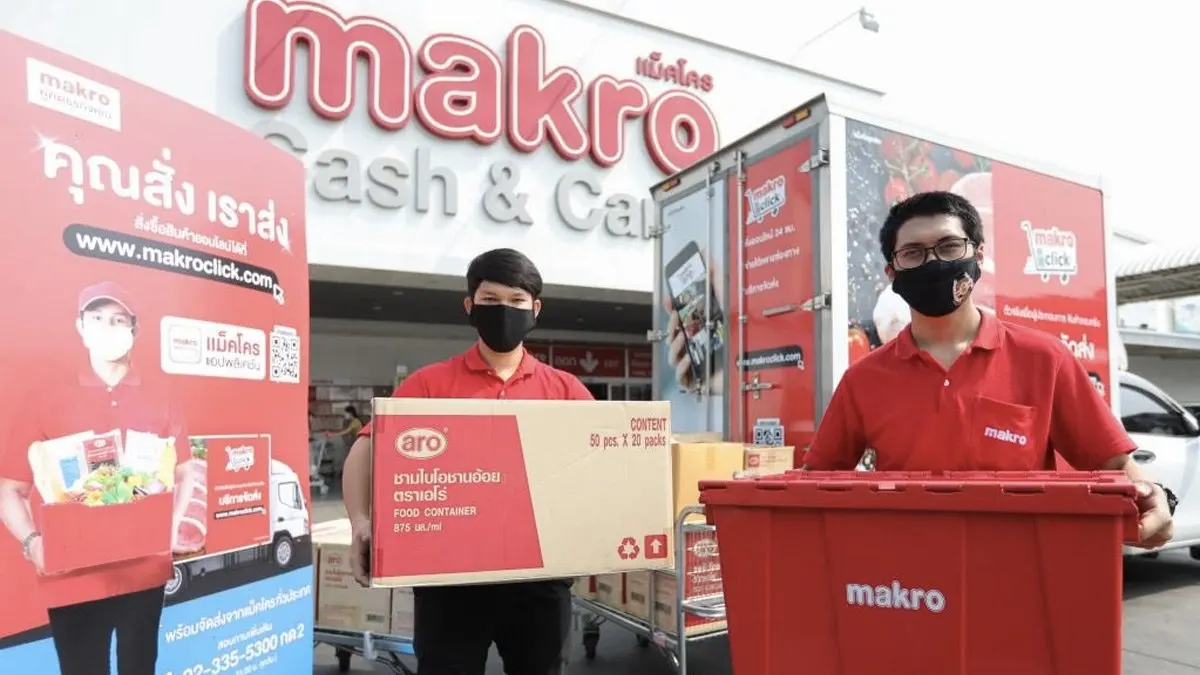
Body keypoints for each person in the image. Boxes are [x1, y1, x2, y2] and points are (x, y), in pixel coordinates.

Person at [803, 191, 1174, 548]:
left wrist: (1154, 495)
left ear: (978, 254)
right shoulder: (863, 379)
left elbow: (1113, 463)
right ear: (892, 272)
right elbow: (816, 483)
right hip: (907, 575)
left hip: (1022, 570)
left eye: (949, 246)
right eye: (913, 253)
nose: (933, 262)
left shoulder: (1044, 358)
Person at [342, 248, 593, 675]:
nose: (504, 310)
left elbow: (601, 464)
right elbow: (367, 447)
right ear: (469, 306)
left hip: (539, 579)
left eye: (516, 300)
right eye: (490, 299)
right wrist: (360, 522)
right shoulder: (429, 385)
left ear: (535, 310)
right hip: (449, 582)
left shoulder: (566, 390)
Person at [0, 281, 197, 675]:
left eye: (119, 320)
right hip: (73, 580)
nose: (109, 328)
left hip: (144, 575)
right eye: (98, 318)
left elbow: (185, 469)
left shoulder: (163, 396)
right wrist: (33, 543)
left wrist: (172, 524)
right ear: (81, 326)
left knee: (140, 668)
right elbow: (10, 490)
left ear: (135, 330)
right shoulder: (44, 399)